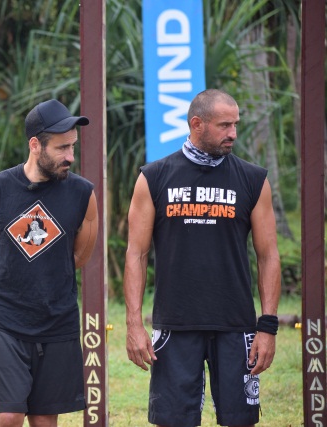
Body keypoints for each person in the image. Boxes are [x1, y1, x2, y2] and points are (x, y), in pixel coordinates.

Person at [124, 89, 281, 427]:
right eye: (224, 125)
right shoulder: (154, 177)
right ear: (197, 124)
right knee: (173, 421)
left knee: (240, 421)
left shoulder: (254, 179)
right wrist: (134, 324)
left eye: (235, 124)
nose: (233, 133)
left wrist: (267, 327)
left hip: (236, 326)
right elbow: (136, 254)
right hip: (175, 325)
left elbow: (268, 256)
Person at [0, 99, 98, 427]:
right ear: (35, 145)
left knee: (44, 420)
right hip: (6, 320)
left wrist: (46, 277)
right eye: (62, 148)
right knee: (9, 416)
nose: (70, 157)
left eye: (72, 147)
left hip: (57, 320)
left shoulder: (83, 194)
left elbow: (79, 256)